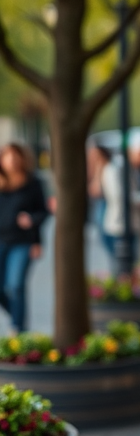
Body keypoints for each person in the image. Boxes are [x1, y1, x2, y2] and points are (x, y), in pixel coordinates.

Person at [0, 143, 49, 334]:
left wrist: (36, 236)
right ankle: (16, 315)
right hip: (1, 240)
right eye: (7, 156)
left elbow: (42, 212)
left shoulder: (32, 183)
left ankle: (18, 328)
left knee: (16, 284)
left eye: (15, 156)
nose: (11, 161)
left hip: (23, 241)